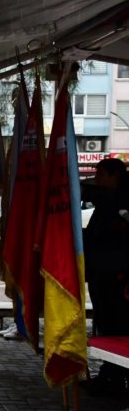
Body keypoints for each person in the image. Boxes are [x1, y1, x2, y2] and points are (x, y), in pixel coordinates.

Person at [82, 158, 129, 395]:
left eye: (101, 175)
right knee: (105, 324)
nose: (98, 180)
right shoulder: (109, 199)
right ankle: (110, 375)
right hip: (102, 273)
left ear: (115, 176)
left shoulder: (120, 199)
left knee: (116, 326)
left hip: (117, 277)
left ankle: (115, 377)